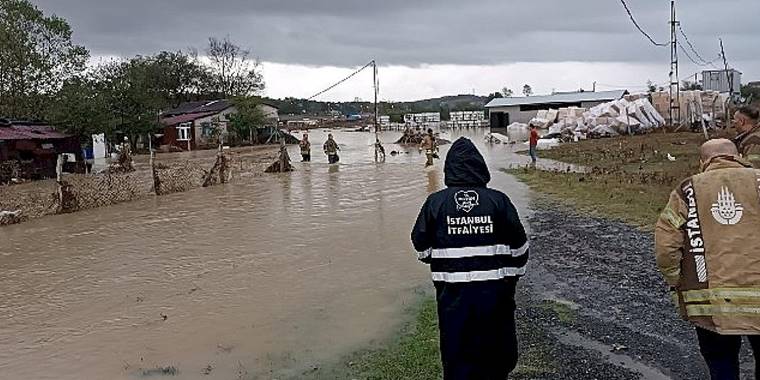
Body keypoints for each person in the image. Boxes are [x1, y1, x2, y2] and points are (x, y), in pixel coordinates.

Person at [411, 137, 529, 379]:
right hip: (495, 295)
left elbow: (420, 244)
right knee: (496, 351)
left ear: (449, 168)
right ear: (480, 166)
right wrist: (510, 279)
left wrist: (441, 263)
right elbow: (519, 247)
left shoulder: (436, 202)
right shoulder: (498, 200)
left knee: (456, 351)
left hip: (452, 296)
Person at [655, 138, 760, 380]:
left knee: (721, 362)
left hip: (711, 301)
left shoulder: (687, 189)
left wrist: (676, 279)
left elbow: (666, 245)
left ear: (703, 161)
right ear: (738, 156)